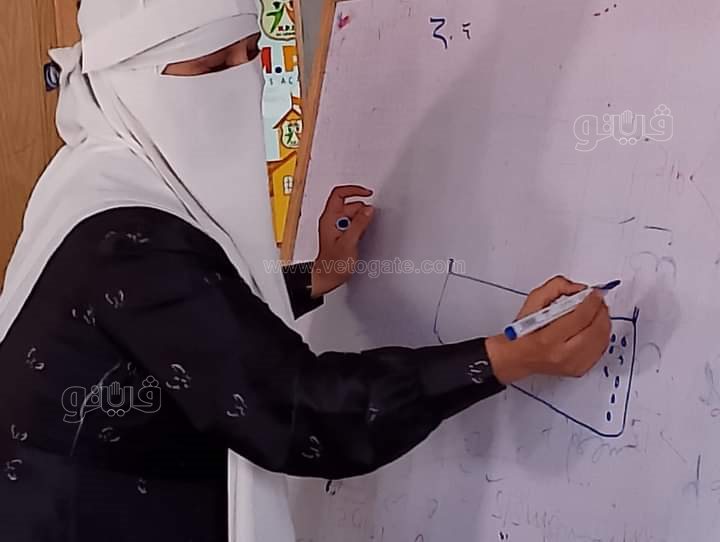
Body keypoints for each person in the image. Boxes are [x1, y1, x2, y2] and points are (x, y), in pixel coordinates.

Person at [0, 1, 611, 541]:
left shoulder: (101, 173)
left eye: (250, 54)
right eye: (211, 67)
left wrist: (313, 277)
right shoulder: (128, 240)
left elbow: (184, 322)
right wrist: (503, 357)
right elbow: (297, 413)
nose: (240, 81)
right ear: (128, 79)